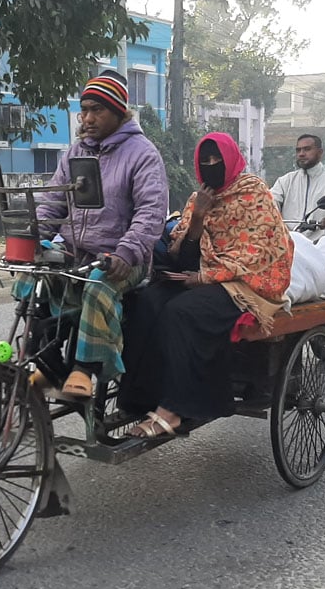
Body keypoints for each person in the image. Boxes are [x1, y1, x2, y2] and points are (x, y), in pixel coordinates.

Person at [119, 132, 293, 439]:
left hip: (245, 282)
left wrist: (205, 278)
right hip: (201, 274)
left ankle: (174, 408)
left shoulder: (254, 192)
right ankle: (142, 397)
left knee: (182, 312)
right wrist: (199, 215)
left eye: (217, 160)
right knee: (144, 302)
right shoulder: (197, 199)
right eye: (205, 161)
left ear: (231, 160)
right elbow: (185, 257)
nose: (212, 165)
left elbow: (262, 252)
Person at [32, 69, 168, 399]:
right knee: (36, 276)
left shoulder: (143, 153)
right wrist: (33, 235)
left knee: (97, 289)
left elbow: (151, 213)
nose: (88, 118)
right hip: (78, 250)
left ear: (119, 111)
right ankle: (44, 360)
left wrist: (126, 252)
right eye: (85, 110)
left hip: (124, 259)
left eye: (97, 110)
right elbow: (53, 201)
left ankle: (84, 370)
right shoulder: (75, 152)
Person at [270, 134, 325, 241]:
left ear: (320, 152)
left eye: (307, 149)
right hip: (288, 244)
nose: (301, 154)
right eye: (298, 150)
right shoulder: (285, 181)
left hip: (321, 244)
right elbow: (270, 201)